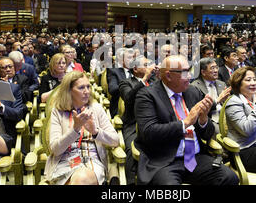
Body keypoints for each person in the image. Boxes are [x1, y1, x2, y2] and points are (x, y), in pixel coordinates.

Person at [134, 55, 239, 185]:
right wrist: (185, 122)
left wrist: (203, 120)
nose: (190, 76)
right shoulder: (147, 96)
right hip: (165, 161)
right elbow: (149, 133)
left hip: (195, 157)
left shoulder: (192, 91)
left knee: (229, 177)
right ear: (168, 76)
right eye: (185, 72)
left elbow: (207, 133)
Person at [44, 71, 119, 185]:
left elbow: (115, 141)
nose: (87, 91)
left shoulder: (96, 108)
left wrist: (95, 131)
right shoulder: (58, 112)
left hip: (92, 161)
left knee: (82, 178)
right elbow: (55, 149)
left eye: (88, 86)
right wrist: (75, 129)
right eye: (81, 88)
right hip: (64, 162)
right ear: (69, 91)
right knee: (80, 179)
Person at [119, 56, 157, 185]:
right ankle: (131, 182)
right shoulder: (126, 82)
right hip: (134, 123)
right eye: (145, 65)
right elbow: (128, 99)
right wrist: (144, 78)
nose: (149, 68)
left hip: (155, 122)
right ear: (135, 69)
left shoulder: (155, 81)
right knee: (131, 149)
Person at [190, 57, 231, 135]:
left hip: (226, 117)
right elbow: (199, 109)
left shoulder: (221, 84)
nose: (216, 71)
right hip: (209, 120)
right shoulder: (195, 87)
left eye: (216, 67)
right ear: (203, 72)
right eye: (212, 68)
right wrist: (218, 100)